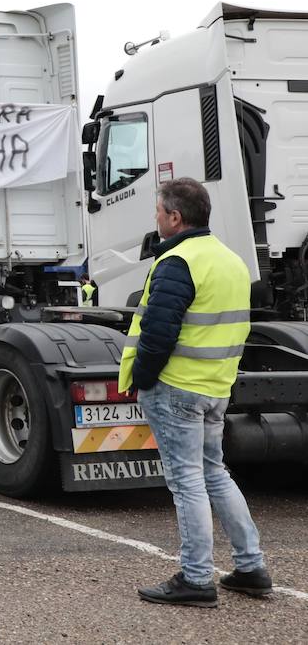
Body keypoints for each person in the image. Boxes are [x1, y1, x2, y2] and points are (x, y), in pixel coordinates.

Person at [121, 178, 271, 607]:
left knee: (187, 481)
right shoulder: (230, 261)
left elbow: (158, 333)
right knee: (214, 474)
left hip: (177, 389)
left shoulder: (178, 262)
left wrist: (145, 379)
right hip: (214, 387)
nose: (156, 219)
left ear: (174, 217)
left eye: (158, 212)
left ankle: (196, 578)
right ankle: (250, 566)